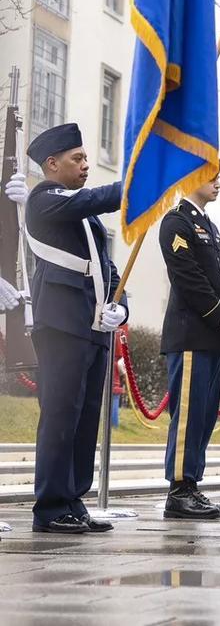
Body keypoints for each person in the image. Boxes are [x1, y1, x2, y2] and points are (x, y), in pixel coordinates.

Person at [20, 124, 126, 534]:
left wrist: (121, 306)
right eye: (77, 159)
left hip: (94, 323)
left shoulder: (85, 218)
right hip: (62, 323)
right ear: (52, 164)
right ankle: (49, 506)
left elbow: (106, 268)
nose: (85, 166)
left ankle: (73, 499)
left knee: (85, 418)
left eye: (85, 158)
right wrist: (138, 181)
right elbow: (99, 198)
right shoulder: (44, 199)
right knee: (61, 415)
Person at [157, 172, 220, 520]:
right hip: (191, 333)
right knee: (188, 416)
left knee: (203, 415)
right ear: (189, 179)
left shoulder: (209, 227)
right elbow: (189, 280)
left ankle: (192, 485)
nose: (218, 184)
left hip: (210, 336)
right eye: (211, 177)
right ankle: (179, 489)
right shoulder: (176, 223)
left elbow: (215, 279)